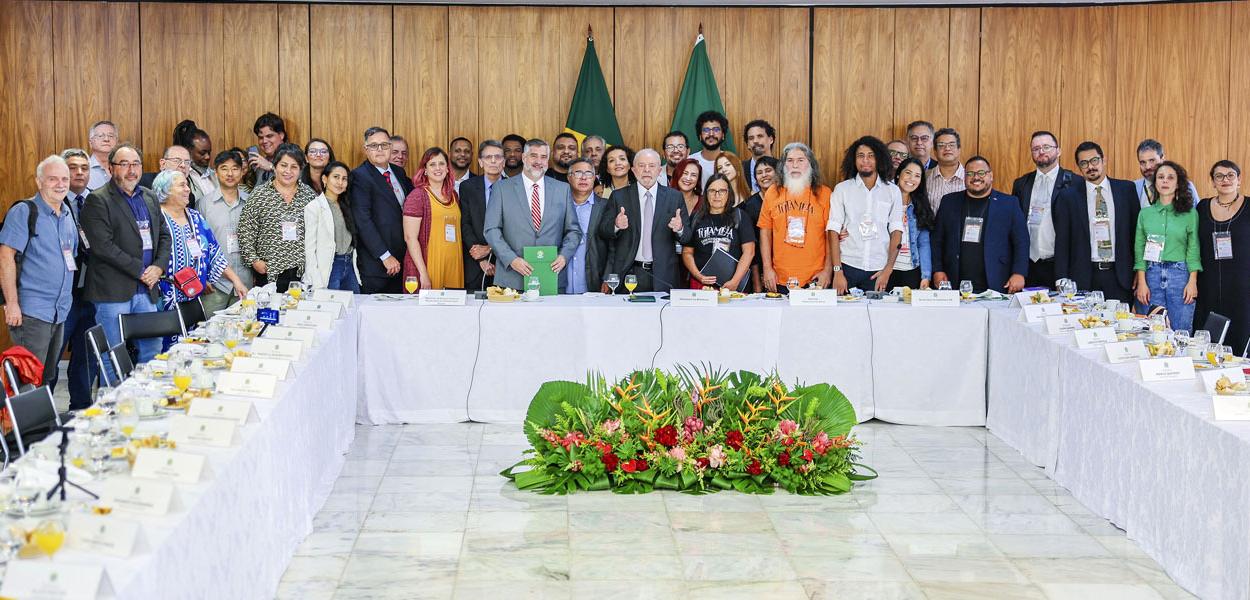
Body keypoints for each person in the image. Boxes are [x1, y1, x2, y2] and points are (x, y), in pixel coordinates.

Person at [80, 144, 171, 379]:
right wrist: (141, 271)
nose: (131, 170)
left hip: (147, 289)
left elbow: (163, 235)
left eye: (136, 164)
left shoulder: (149, 196)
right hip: (113, 292)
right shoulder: (97, 200)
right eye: (124, 164)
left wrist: (158, 267)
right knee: (113, 355)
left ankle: (145, 401)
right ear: (111, 168)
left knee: (152, 349)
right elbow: (103, 247)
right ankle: (113, 409)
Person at [0, 156, 78, 386]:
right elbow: (6, 257)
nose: (60, 184)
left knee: (48, 376)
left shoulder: (67, 213)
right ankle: (21, 423)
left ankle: (43, 423)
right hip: (32, 311)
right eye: (52, 179)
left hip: (60, 310)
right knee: (27, 379)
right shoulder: (24, 211)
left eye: (64, 179)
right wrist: (11, 303)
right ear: (39, 181)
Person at [483, 139, 581, 291]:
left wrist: (564, 256)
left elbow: (573, 231)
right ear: (523, 158)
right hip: (512, 278)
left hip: (551, 277)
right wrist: (512, 259)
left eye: (543, 157)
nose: (538, 161)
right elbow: (491, 230)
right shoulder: (501, 189)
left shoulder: (563, 189)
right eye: (533, 156)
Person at [1053, 141, 1139, 303]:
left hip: (1120, 277)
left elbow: (1136, 235)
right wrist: (1061, 279)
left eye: (1094, 160)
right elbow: (1062, 241)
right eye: (1084, 163)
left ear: (1103, 160)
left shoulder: (1126, 190)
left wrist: (1139, 273)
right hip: (1083, 277)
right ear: (1079, 167)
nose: (1090, 167)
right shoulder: (1068, 197)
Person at [152, 171, 247, 317]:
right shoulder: (155, 218)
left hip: (193, 296)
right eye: (182, 185)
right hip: (164, 299)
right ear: (166, 190)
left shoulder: (195, 217)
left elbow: (215, 253)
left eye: (187, 184)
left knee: (192, 338)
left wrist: (236, 281)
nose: (187, 189)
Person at [931, 156, 1028, 293]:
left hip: (998, 280)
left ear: (991, 176)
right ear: (964, 177)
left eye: (981, 173)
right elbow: (937, 240)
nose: (976, 177)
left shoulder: (1009, 203)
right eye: (970, 173)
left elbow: (1022, 242)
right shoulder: (949, 202)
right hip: (953, 281)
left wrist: (1019, 273)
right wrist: (937, 269)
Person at [599, 148, 686, 293]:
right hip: (629, 274)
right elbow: (603, 231)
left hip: (664, 275)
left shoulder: (674, 197)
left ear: (659, 171)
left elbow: (687, 236)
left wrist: (680, 228)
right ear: (633, 170)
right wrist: (616, 225)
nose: (646, 170)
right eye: (641, 165)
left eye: (652, 166)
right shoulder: (619, 196)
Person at [826, 136, 903, 293]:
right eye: (860, 156)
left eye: (871, 155)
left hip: (878, 270)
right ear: (854, 160)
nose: (865, 160)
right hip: (848, 267)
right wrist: (837, 271)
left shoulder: (892, 191)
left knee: (878, 317)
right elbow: (833, 230)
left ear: (879, 159)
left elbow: (896, 231)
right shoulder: (842, 189)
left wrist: (888, 270)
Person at [238, 143, 316, 292]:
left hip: (301, 271)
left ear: (300, 169)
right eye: (283, 165)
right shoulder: (260, 194)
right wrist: (254, 261)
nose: (288, 171)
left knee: (297, 312)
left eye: (294, 167)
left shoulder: (308, 195)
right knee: (272, 313)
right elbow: (245, 230)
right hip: (268, 270)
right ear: (274, 166)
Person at [1134, 161, 1201, 332]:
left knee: (1180, 330)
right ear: (1155, 182)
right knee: (1152, 330)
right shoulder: (1145, 214)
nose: (1165, 181)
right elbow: (1139, 249)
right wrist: (1142, 282)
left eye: (1170, 178)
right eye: (1161, 177)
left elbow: (1193, 248)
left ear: (1178, 183)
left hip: (1180, 276)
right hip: (1152, 275)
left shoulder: (1190, 214)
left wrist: (1192, 281)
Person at [757, 143, 833, 292]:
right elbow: (765, 233)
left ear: (810, 164)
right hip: (780, 277)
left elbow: (831, 236)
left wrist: (827, 270)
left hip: (816, 277)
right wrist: (767, 268)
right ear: (783, 165)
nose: (795, 165)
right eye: (790, 160)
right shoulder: (772, 192)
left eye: (800, 160)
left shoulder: (824, 194)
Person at [54, 149, 98, 406]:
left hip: (92, 292)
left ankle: (81, 411)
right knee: (52, 358)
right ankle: (45, 419)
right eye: (72, 167)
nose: (79, 172)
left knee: (86, 357)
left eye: (84, 167)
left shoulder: (98, 200)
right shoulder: (54, 201)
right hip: (62, 294)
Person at [1011, 131, 1080, 288]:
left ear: (1058, 150)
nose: (1041, 151)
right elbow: (1015, 227)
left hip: (1060, 265)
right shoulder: (1021, 184)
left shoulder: (1075, 182)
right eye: (1036, 148)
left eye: (1046, 147)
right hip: (1028, 266)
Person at [350, 127, 414, 294]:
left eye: (384, 145)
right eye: (374, 146)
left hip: (402, 259)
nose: (380, 150)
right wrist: (385, 256)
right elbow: (363, 221)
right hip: (378, 265)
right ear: (366, 149)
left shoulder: (399, 172)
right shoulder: (359, 176)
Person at [1196, 160, 1249, 352]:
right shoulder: (1202, 207)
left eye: (1230, 175)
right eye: (1219, 176)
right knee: (1209, 341)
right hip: (1208, 285)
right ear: (1213, 181)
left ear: (1239, 180)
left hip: (1242, 287)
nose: (1225, 180)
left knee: (1240, 341)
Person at [402, 148, 463, 290]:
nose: (438, 168)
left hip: (453, 265)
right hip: (429, 265)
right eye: (432, 164)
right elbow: (410, 238)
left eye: (441, 164)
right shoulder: (417, 196)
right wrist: (423, 273)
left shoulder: (453, 195)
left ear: (448, 169)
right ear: (425, 170)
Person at [200, 149, 252, 316]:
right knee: (209, 332)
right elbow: (197, 243)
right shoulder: (204, 204)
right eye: (224, 168)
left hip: (245, 282)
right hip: (215, 284)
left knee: (243, 331)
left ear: (242, 171)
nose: (230, 173)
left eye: (235, 168)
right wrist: (203, 277)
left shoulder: (251, 201)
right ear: (216, 172)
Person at [683, 174, 756, 291]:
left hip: (733, 285)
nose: (717, 195)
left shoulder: (740, 216)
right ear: (706, 194)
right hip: (702, 286)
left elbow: (749, 252)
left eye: (722, 191)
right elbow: (687, 252)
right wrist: (699, 276)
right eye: (712, 191)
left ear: (729, 193)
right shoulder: (696, 217)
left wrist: (735, 282)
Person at [303, 161, 360, 292]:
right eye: (336, 177)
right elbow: (309, 249)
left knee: (353, 307)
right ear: (325, 179)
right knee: (331, 308)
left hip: (349, 264)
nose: (340, 182)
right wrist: (315, 279)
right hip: (331, 265)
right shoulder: (314, 207)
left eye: (344, 179)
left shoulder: (347, 205)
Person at [460, 140, 507, 291]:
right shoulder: (467, 187)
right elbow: (465, 224)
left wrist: (490, 249)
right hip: (475, 264)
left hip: (506, 263)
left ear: (504, 162)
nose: (493, 161)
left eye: (498, 157)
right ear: (480, 162)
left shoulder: (514, 187)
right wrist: (480, 258)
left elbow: (516, 227)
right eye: (488, 157)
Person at [561, 158, 608, 294]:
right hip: (562, 277)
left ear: (594, 178)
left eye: (588, 173)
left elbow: (613, 246)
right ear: (569, 178)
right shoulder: (557, 205)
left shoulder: (606, 206)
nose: (583, 178)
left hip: (594, 278)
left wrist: (608, 277)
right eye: (578, 173)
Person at [890, 157, 935, 289]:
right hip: (885, 268)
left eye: (917, 176)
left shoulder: (921, 207)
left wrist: (926, 276)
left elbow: (924, 244)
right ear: (899, 174)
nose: (911, 179)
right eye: (908, 173)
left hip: (911, 269)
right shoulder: (884, 200)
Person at [741, 156, 778, 292]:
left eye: (768, 170)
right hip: (761, 267)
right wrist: (757, 279)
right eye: (759, 172)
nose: (764, 175)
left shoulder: (788, 199)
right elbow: (752, 245)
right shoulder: (750, 205)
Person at [1134, 139, 1199, 208]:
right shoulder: (1133, 188)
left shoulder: (1186, 186)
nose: (1147, 167)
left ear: (1162, 159)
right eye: (1143, 162)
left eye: (1152, 160)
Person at [172, 120, 218, 206]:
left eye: (209, 152)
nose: (207, 157)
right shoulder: (180, 176)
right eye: (202, 153)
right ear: (188, 151)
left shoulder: (214, 175)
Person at [926, 127, 965, 214]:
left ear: (959, 150)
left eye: (951, 145)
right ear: (935, 151)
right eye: (941, 145)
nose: (947, 148)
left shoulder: (970, 178)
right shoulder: (924, 177)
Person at [247, 112, 288, 188]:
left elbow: (297, 182)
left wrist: (271, 167)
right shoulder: (260, 162)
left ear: (281, 135)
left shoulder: (294, 155)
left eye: (269, 136)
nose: (264, 141)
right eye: (261, 137)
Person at [692, 111, 730, 188]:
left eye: (716, 130)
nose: (711, 134)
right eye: (706, 130)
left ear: (723, 135)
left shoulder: (731, 161)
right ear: (700, 136)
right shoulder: (690, 161)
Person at [742, 120, 775, 194]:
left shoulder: (783, 167)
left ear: (771, 139)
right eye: (751, 138)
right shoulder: (739, 169)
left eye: (760, 136)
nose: (755, 141)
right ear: (747, 144)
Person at [86, 120, 118, 191]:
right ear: (91, 143)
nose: (106, 139)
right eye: (101, 136)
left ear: (116, 141)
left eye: (111, 136)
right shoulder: (83, 170)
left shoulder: (124, 168)